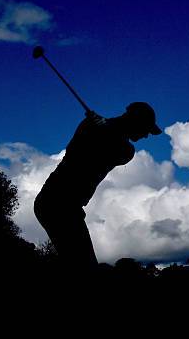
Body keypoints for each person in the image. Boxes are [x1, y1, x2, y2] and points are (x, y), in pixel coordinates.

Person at [34, 102, 162, 272]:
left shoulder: (127, 149)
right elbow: (74, 151)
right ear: (135, 121)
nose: (146, 135)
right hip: (55, 202)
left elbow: (118, 150)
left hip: (67, 206)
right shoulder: (90, 126)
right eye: (146, 129)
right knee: (84, 267)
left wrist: (107, 129)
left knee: (79, 265)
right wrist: (100, 128)